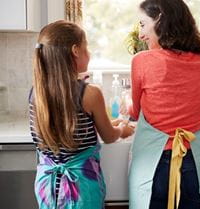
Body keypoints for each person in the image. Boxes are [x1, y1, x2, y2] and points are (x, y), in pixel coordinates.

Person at [125, 0, 200, 209]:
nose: (140, 34)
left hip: (153, 168)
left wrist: (127, 105)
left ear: (160, 19)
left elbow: (136, 112)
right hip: (192, 165)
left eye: (142, 24)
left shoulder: (142, 61)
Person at [29, 20, 134, 209]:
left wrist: (109, 122)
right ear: (75, 50)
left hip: (46, 185)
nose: (90, 53)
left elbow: (68, 124)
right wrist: (121, 129)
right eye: (87, 47)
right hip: (81, 187)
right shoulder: (90, 93)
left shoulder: (36, 92)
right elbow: (109, 137)